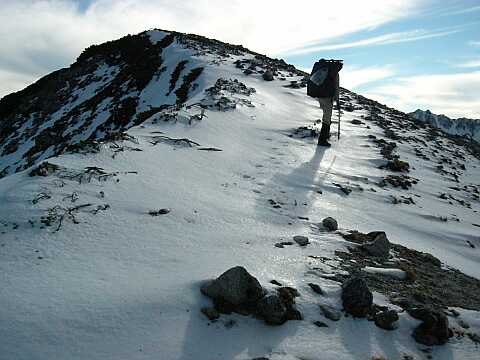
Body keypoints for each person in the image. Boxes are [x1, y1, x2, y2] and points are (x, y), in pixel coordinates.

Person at [307, 59, 343, 147]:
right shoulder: (334, 74)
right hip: (327, 97)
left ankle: (325, 136)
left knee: (326, 116)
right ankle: (322, 140)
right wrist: (337, 101)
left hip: (320, 95)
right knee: (327, 117)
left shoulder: (323, 70)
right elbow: (336, 88)